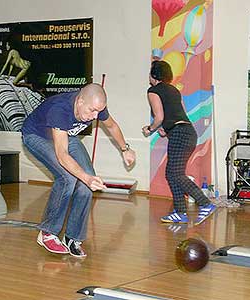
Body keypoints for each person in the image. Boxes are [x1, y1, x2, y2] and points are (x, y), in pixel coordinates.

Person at [22, 83, 136, 257]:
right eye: (92, 111)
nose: (95, 116)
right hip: (36, 136)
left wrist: (125, 149)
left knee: (88, 181)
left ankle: (72, 237)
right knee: (68, 177)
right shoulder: (59, 109)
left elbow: (112, 126)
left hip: (66, 135)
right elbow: (62, 155)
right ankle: (48, 233)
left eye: (99, 111)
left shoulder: (96, 107)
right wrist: (84, 176)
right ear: (80, 101)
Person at [141, 60, 216, 225]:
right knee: (172, 173)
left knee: (175, 173)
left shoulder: (153, 91)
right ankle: (180, 212)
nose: (149, 76)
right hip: (187, 132)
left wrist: (150, 128)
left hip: (180, 133)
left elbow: (159, 117)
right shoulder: (174, 90)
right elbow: (179, 114)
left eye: (150, 72)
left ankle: (205, 204)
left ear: (154, 75)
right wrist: (166, 129)